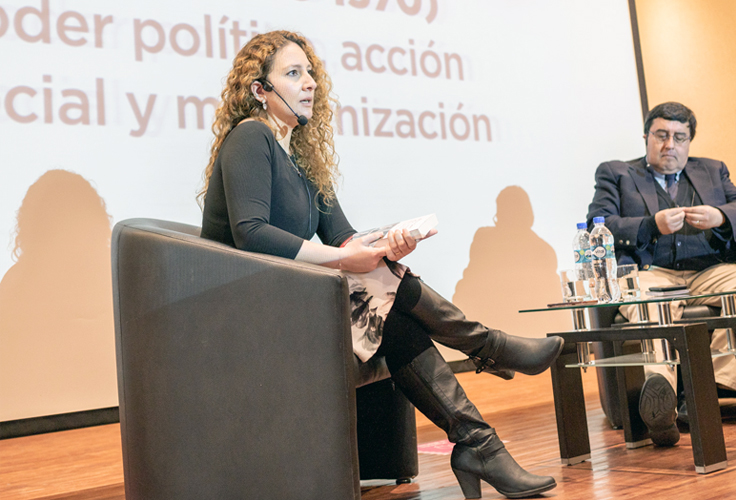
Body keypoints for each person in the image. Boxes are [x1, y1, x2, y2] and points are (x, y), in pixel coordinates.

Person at [198, 31, 561, 499]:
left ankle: (478, 441)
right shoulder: (251, 137)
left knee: (394, 321)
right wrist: (348, 258)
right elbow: (253, 233)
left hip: (290, 297)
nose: (309, 82)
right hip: (249, 309)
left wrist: (388, 244)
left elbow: (342, 237)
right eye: (292, 73)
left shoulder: (302, 158)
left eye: (309, 72)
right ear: (258, 89)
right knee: (379, 297)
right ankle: (488, 350)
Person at [586, 102, 736, 447]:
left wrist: (720, 216)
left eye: (679, 137)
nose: (669, 144)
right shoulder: (617, 173)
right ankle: (662, 401)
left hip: (708, 272)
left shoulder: (712, 170)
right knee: (646, 300)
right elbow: (600, 223)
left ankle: (711, 386)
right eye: (661, 135)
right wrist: (650, 225)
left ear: (689, 141)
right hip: (651, 273)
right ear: (646, 137)